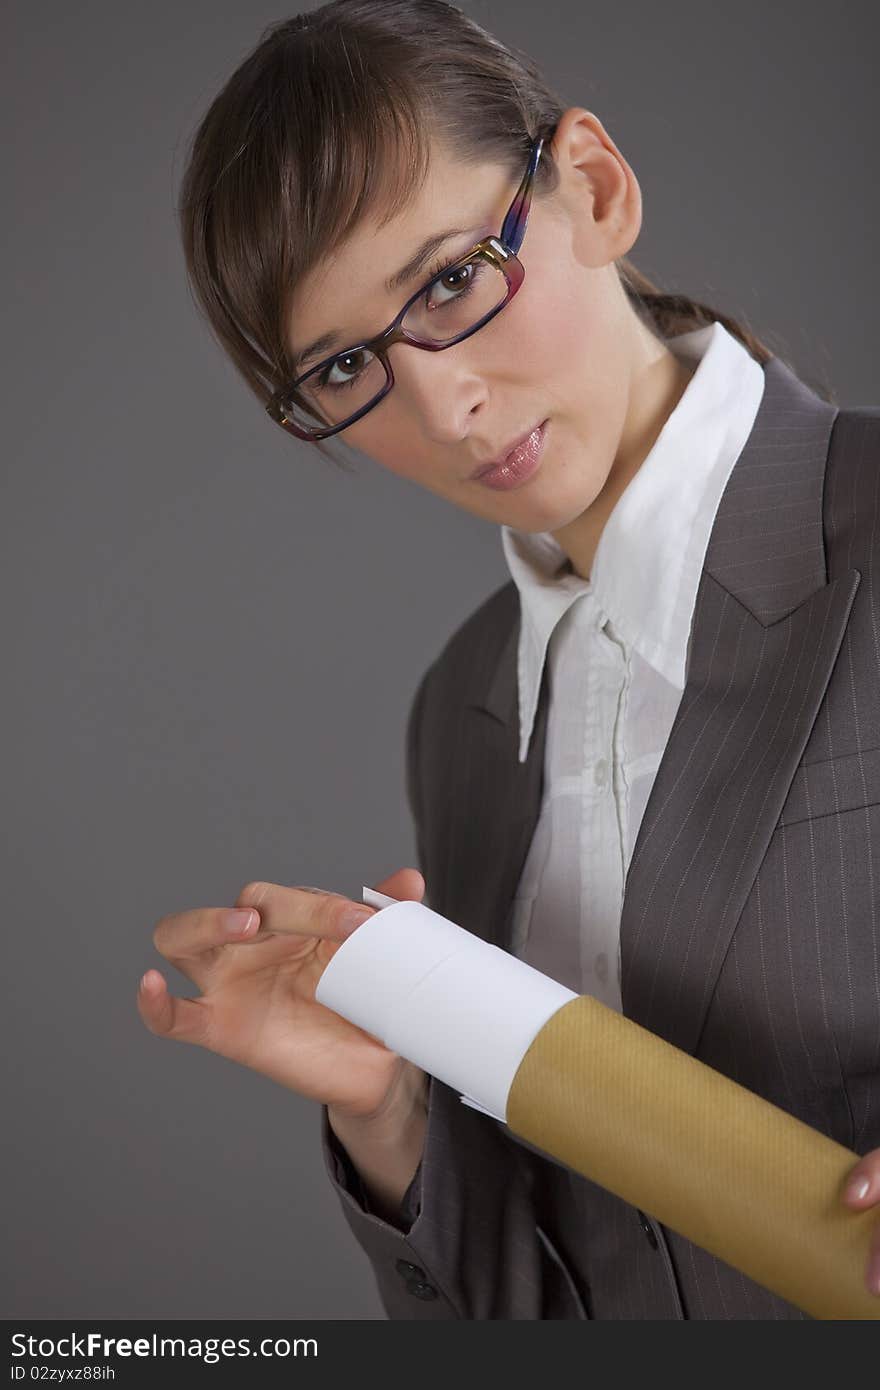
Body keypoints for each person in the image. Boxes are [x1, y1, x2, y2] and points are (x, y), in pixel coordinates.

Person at [138, 0, 880, 1318]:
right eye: (348, 366)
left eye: (451, 281)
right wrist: (392, 1117)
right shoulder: (460, 716)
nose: (443, 403)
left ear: (593, 186)